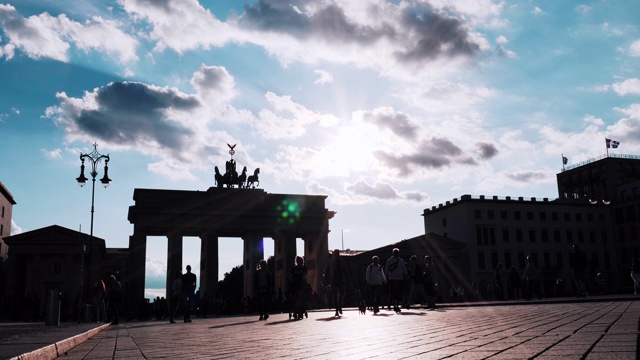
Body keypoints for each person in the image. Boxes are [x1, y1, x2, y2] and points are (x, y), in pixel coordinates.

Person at [324, 249, 351, 316]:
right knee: (335, 295)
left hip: (340, 280)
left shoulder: (341, 262)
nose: (336, 254)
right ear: (333, 254)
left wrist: (348, 279)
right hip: (333, 280)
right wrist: (326, 280)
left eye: (337, 253)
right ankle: (337, 309)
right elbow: (326, 271)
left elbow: (345, 271)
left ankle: (339, 304)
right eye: (335, 253)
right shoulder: (330, 261)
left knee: (342, 292)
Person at [385, 248, 408, 313]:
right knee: (394, 292)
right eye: (395, 253)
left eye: (397, 253)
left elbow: (404, 269)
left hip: (399, 278)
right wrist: (386, 277)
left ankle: (397, 305)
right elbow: (386, 269)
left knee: (398, 292)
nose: (396, 254)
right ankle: (395, 305)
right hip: (392, 278)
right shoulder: (390, 260)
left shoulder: (401, 261)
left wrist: (406, 276)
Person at [289, 255, 308, 320]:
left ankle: (300, 311)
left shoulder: (304, 268)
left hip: (302, 285)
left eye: (300, 261)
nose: (299, 262)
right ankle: (296, 311)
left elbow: (305, 275)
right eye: (298, 261)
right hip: (295, 286)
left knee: (302, 299)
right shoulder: (293, 269)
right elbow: (291, 277)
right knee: (296, 299)